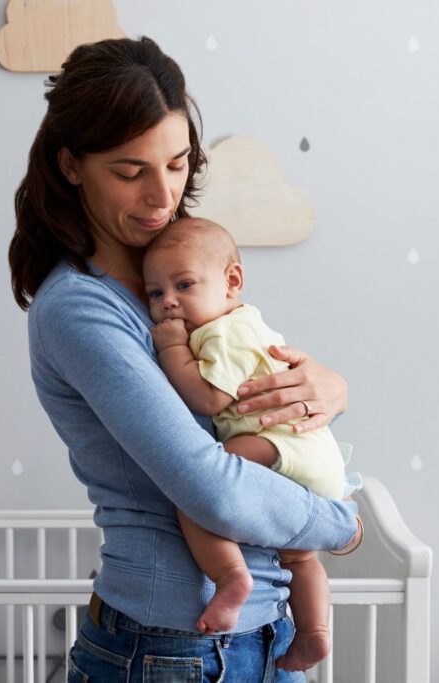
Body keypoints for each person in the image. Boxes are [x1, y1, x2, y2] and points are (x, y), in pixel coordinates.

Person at [8, 36, 359, 681]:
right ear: (71, 165)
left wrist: (329, 388)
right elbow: (209, 486)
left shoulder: (180, 279)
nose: (161, 196)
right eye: (130, 170)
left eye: (176, 164)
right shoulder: (81, 309)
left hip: (267, 633)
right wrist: (339, 524)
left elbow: (255, 395)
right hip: (170, 648)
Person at [144, 216, 360, 671]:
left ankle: (230, 577)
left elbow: (208, 397)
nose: (168, 303)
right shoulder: (247, 325)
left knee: (195, 492)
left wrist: (171, 351)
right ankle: (314, 633)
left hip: (278, 442)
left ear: (232, 282)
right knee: (299, 558)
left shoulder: (223, 333)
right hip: (311, 455)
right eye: (156, 293)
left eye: (183, 285)